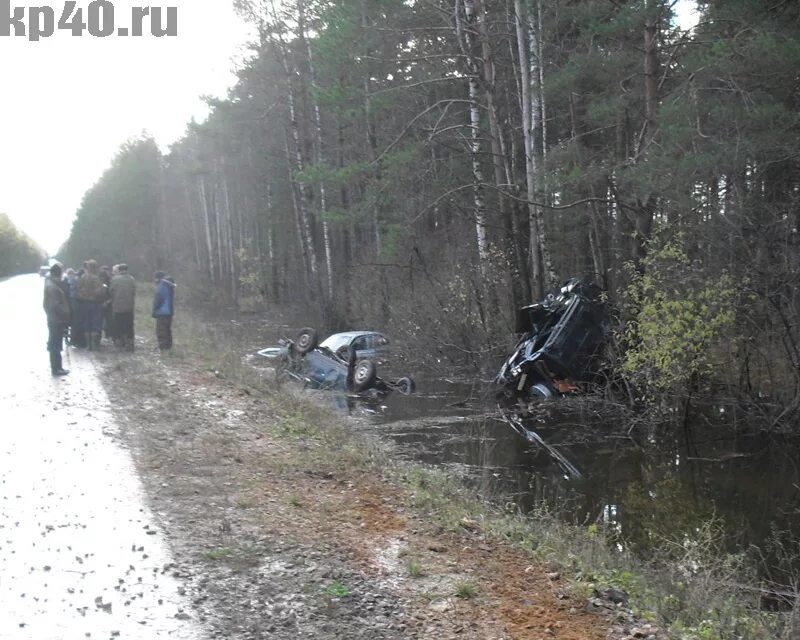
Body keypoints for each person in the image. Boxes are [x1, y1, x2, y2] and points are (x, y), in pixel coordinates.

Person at [43, 263, 70, 376]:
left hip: (53, 319)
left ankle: (57, 367)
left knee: (55, 343)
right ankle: (56, 368)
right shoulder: (53, 287)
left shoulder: (50, 284)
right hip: (56, 320)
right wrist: (65, 313)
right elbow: (55, 305)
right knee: (55, 344)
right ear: (59, 273)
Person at [75, 259, 107, 350]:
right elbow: (99, 292)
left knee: (87, 323)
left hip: (84, 303)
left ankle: (88, 345)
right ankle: (94, 345)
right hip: (95, 303)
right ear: (94, 267)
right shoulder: (96, 278)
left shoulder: (82, 277)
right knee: (95, 324)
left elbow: (77, 290)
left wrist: (83, 295)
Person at [109, 263, 136, 351]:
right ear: (126, 269)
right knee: (129, 326)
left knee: (118, 325)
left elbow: (111, 291)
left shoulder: (115, 279)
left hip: (117, 306)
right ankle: (130, 345)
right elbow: (133, 291)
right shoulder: (132, 279)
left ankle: (118, 344)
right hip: (129, 306)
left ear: (119, 270)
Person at [152, 271, 176, 350]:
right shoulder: (169, 285)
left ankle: (163, 348)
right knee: (167, 329)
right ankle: (169, 347)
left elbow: (158, 299)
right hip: (169, 312)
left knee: (161, 330)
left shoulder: (162, 285)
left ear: (157, 278)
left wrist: (154, 310)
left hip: (162, 312)